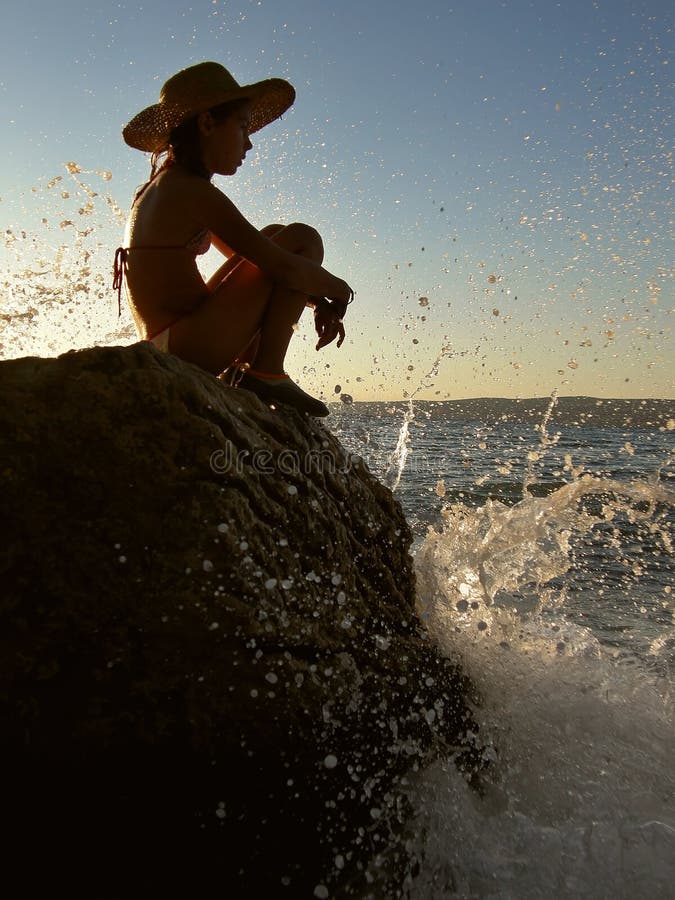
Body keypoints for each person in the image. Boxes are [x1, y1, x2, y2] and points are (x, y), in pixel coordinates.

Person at [114, 61, 354, 417]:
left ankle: (253, 372)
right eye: (242, 126)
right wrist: (341, 292)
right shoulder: (190, 191)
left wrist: (318, 301)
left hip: (171, 343)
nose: (250, 143)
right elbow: (280, 265)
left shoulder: (168, 186)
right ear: (208, 123)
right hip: (184, 348)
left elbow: (261, 259)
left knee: (275, 235)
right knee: (303, 238)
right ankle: (266, 372)